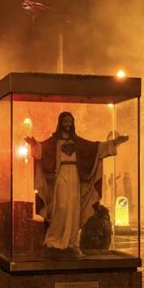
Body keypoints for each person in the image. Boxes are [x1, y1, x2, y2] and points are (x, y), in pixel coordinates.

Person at [25, 111, 129, 258]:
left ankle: (71, 242)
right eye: (65, 121)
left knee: (73, 207)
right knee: (61, 206)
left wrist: (114, 142)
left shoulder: (78, 142)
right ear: (60, 123)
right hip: (61, 174)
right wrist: (35, 144)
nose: (67, 124)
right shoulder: (54, 141)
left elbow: (96, 148)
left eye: (70, 121)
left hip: (74, 176)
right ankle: (55, 239)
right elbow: (43, 148)